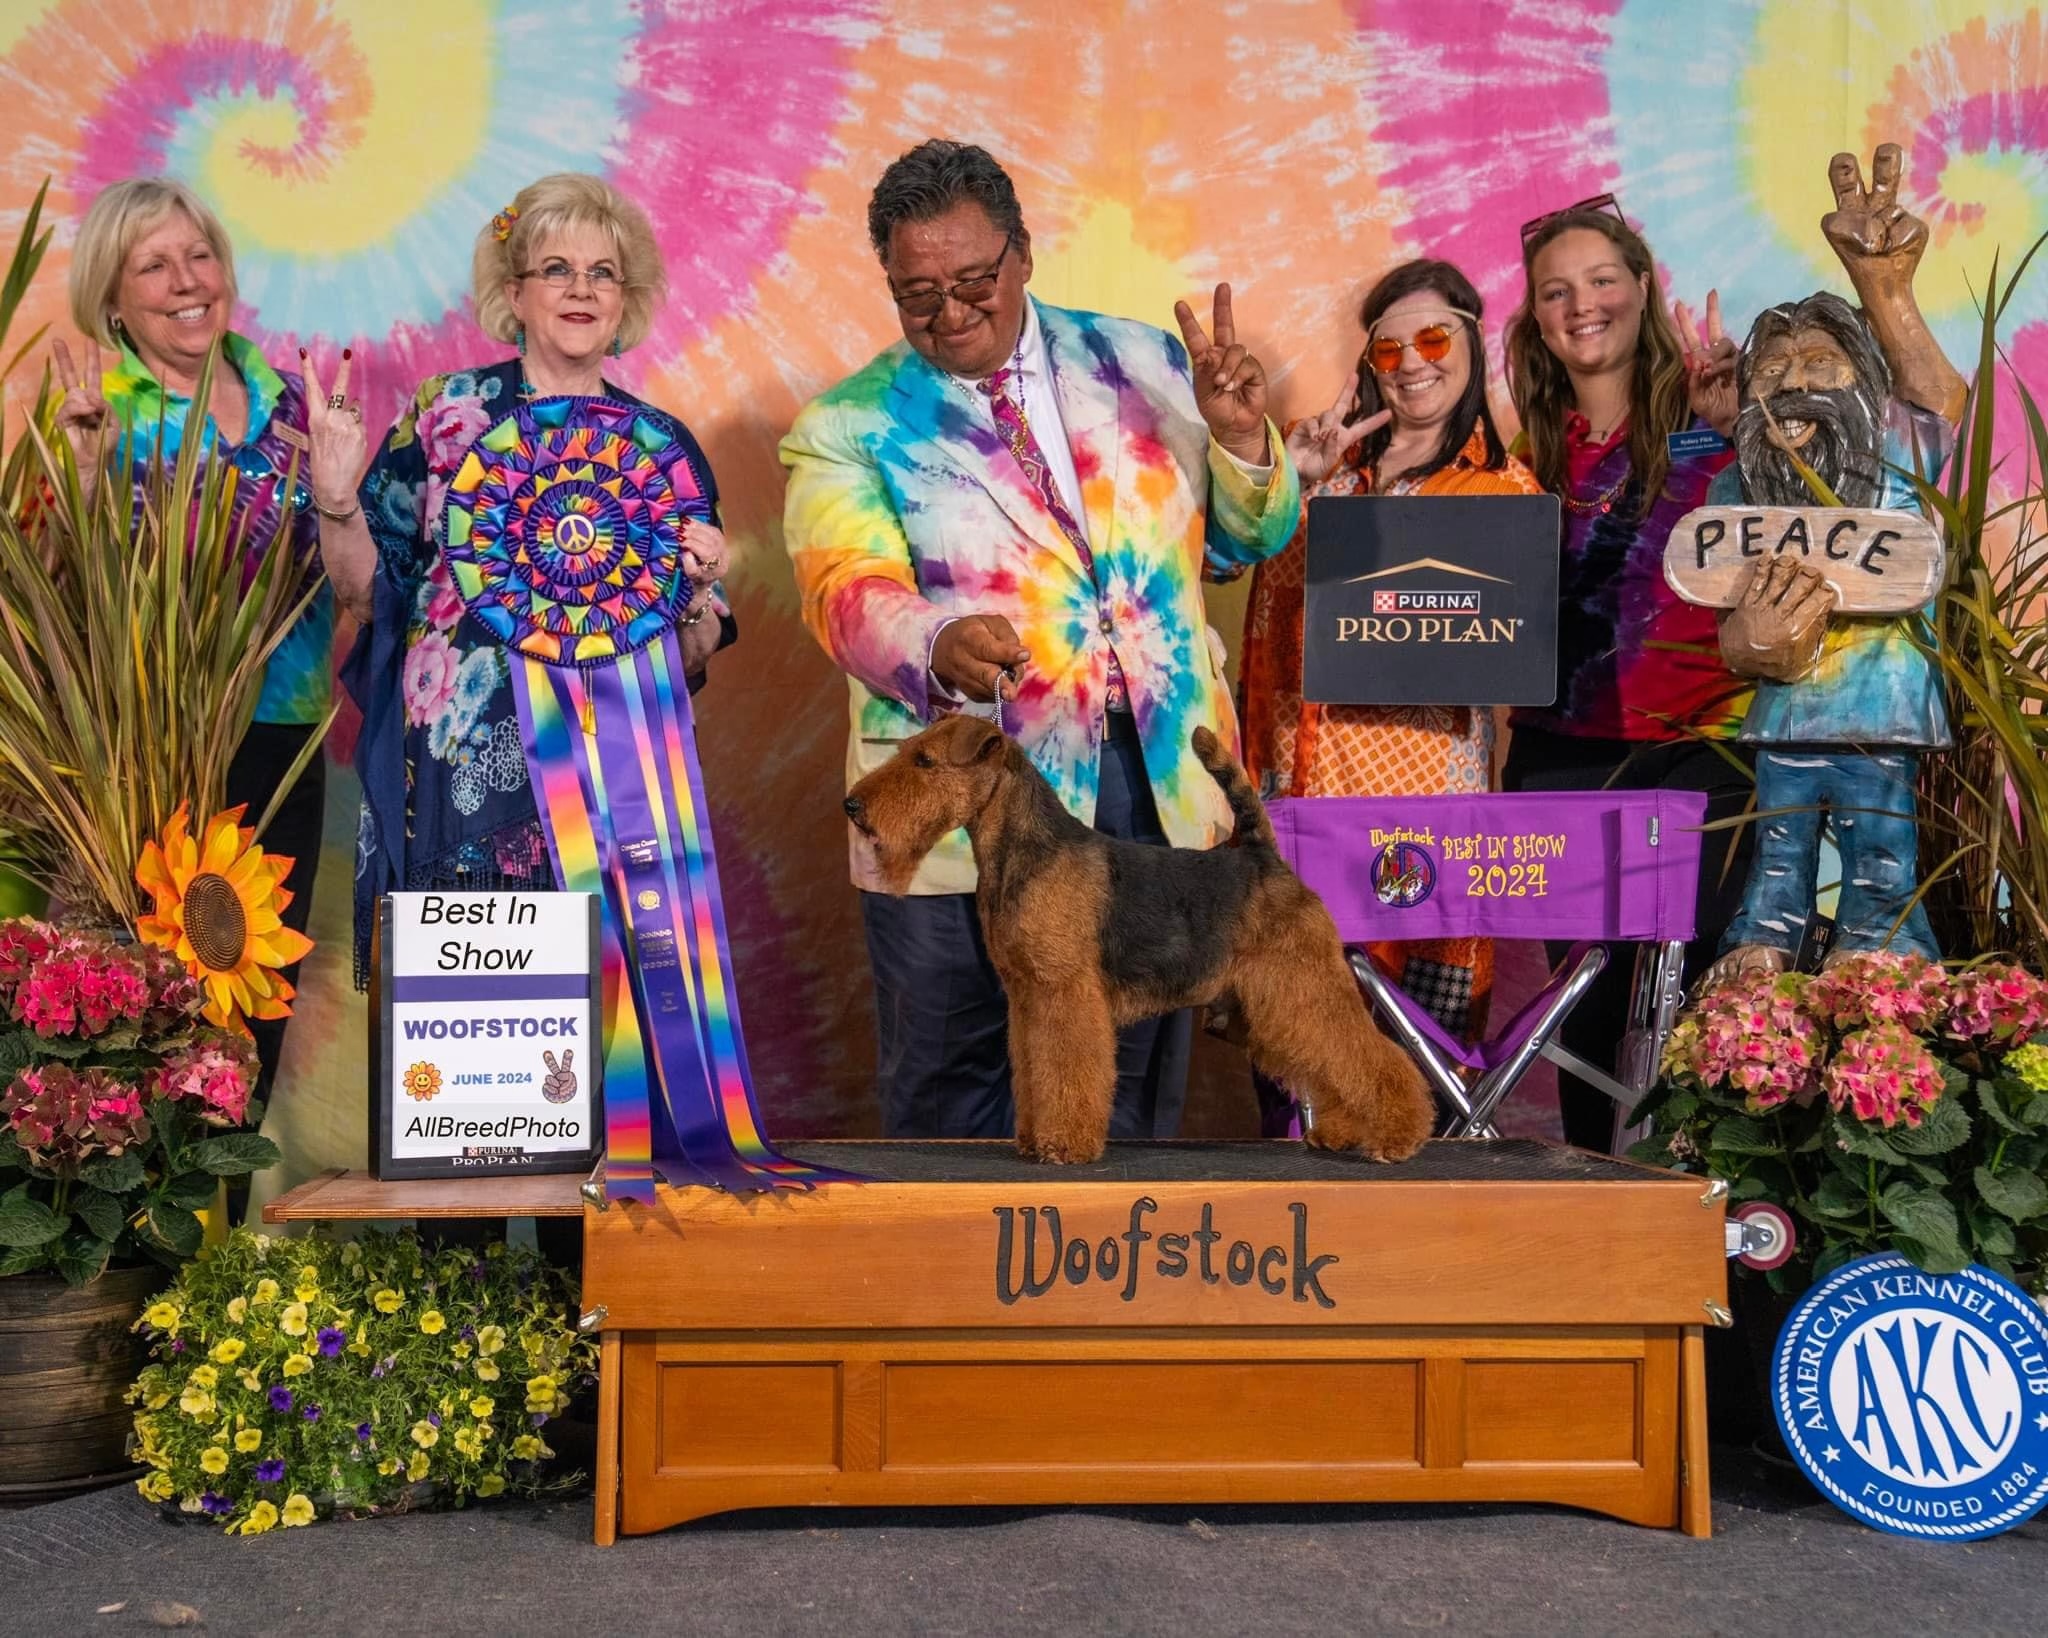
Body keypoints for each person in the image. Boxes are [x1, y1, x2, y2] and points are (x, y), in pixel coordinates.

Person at [781, 138, 1302, 1143]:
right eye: (917, 293)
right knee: (953, 1084)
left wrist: (1242, 442)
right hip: (961, 793)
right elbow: (844, 589)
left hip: (1153, 778)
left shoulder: (1150, 362)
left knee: (1128, 1097)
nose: (949, 312)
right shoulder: (845, 424)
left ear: (1022, 253)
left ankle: (1118, 1249)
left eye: (973, 280)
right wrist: (935, 639)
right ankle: (953, 1255)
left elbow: (1245, 543)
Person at [334, 173, 735, 984]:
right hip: (461, 778)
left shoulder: (660, 446)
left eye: (602, 273)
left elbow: (691, 657)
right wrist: (338, 502)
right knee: (466, 1026)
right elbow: (364, 594)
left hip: (612, 790)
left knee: (600, 1031)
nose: (581, 289)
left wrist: (695, 591)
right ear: (515, 293)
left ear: (624, 301)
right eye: (557, 269)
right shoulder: (446, 414)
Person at [1239, 258, 1542, 1132]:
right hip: (1297, 801)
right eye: (1389, 347)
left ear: (1472, 346)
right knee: (1291, 1053)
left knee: (1416, 1074)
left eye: (1434, 338)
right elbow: (1239, 580)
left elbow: (1513, 656)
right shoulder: (1317, 465)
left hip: (1422, 815)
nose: (1412, 362)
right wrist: (1293, 481)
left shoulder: (1506, 491)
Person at [56, 177, 338, 1102]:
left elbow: (351, 578)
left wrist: (343, 495)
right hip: (159, 748)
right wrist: (85, 480)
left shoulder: (294, 403)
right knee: (157, 1003)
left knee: (259, 1000)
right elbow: (65, 601)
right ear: (112, 297)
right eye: (153, 265)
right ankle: (152, 1200)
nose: (185, 280)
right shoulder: (102, 413)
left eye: (199, 254)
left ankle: (231, 1194)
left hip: (285, 736)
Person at [1501, 198, 1745, 1153]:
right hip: (1562, 755)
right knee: (1587, 1016)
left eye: (1602, 280)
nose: (1583, 305)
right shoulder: (1525, 460)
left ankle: (1706, 1212)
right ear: (1536, 317)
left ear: (1642, 288)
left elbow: (1789, 544)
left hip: (1707, 751)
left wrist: (1745, 430)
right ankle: (1595, 1205)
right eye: (1556, 291)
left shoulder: (1713, 418)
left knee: (1706, 1010)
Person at [1702, 146, 1965, 982]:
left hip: (1883, 711)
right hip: (1784, 716)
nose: (1793, 385)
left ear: (1864, 382)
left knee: (1881, 850)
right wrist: (1748, 644)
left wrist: (1883, 289)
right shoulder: (1735, 486)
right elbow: (1718, 609)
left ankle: (1880, 960)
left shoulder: (1902, 461)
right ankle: (1760, 959)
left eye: (1820, 365)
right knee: (1777, 854)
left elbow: (1943, 400)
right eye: (1773, 370)